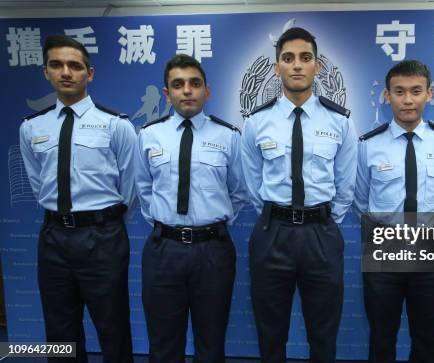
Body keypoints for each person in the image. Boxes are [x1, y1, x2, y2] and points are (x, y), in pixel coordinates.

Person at [240, 27, 357, 363]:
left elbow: (345, 185)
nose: (296, 66)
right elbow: (252, 185)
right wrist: (277, 216)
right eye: (287, 58)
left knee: (323, 331)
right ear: (276, 67)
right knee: (270, 330)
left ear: (317, 66)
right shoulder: (257, 122)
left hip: (321, 234)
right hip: (272, 233)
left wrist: (321, 220)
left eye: (305, 58)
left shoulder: (340, 122)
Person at [19, 34, 136, 363]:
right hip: (54, 238)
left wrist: (102, 222)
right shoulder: (31, 128)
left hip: (103, 238)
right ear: (46, 72)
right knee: (59, 332)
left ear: (90, 73)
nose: (66, 72)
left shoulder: (116, 125)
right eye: (56, 65)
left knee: (112, 328)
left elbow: (130, 187)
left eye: (75, 65)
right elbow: (37, 182)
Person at [134, 54, 246, 363]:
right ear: (166, 93)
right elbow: (144, 189)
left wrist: (212, 224)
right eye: (178, 85)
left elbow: (238, 191)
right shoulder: (148, 135)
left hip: (213, 250)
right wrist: (167, 225)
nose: (187, 91)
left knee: (210, 343)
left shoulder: (228, 136)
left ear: (207, 91)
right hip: (163, 250)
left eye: (195, 84)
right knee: (163, 344)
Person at [354, 60, 434, 363]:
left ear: (429, 94)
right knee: (381, 337)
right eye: (399, 91)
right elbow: (362, 201)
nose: (407, 99)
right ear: (387, 96)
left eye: (416, 91)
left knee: (427, 340)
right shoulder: (367, 145)